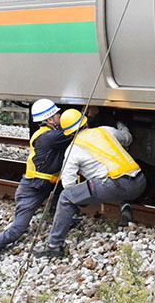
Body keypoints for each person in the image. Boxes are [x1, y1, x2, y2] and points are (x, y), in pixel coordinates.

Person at [0, 98, 74, 271]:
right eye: (57, 114)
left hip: (46, 185)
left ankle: (65, 218)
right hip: (31, 189)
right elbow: (74, 133)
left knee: (62, 193)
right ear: (49, 120)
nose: (60, 116)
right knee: (17, 230)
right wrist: (90, 117)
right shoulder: (48, 137)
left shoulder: (49, 134)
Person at [33, 109, 146, 258]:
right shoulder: (105, 131)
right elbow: (127, 137)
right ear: (85, 122)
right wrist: (121, 123)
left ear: (67, 132)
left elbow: (68, 185)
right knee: (113, 169)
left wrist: (85, 188)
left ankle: (54, 245)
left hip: (117, 186)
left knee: (66, 197)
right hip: (139, 181)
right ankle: (125, 206)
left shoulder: (73, 150)